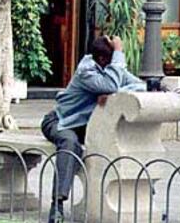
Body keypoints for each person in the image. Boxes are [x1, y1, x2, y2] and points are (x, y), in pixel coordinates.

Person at [41, 36, 146, 223]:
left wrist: (113, 94)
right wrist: (113, 82)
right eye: (114, 58)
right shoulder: (86, 71)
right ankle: (56, 205)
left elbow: (139, 86)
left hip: (86, 126)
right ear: (103, 60)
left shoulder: (111, 70)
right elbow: (111, 84)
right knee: (69, 143)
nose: (117, 63)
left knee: (121, 142)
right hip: (61, 121)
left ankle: (143, 201)